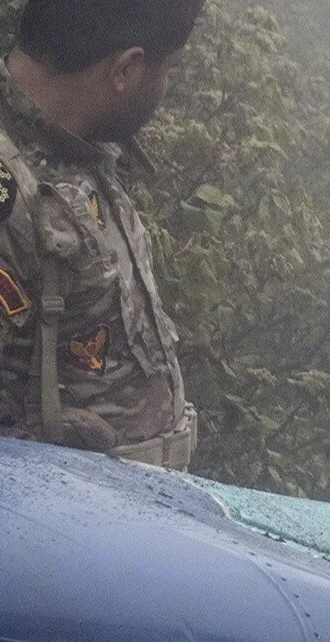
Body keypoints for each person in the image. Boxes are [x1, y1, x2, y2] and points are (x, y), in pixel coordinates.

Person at [0, 0, 205, 467]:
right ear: (126, 68)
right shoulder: (9, 195)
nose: (166, 88)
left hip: (127, 516)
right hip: (56, 525)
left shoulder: (80, 145)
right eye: (168, 70)